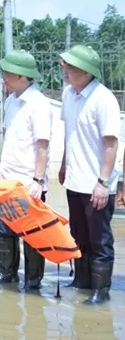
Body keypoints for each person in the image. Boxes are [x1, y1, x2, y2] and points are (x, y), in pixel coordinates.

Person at [58, 45, 120, 304]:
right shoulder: (69, 94)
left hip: (97, 183)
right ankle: (81, 281)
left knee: (99, 240)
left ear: (86, 72)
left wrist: (103, 182)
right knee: (78, 235)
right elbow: (69, 134)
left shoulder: (103, 99)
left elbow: (111, 143)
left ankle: (100, 291)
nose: (65, 72)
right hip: (75, 180)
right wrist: (64, 165)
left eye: (70, 67)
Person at [0, 50, 52, 289]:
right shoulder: (11, 101)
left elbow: (42, 146)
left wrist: (38, 180)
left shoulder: (39, 104)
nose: (3, 78)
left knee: (32, 234)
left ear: (21, 76)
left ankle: (33, 281)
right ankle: (8, 274)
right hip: (8, 181)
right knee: (5, 230)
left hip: (28, 183)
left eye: (6, 74)